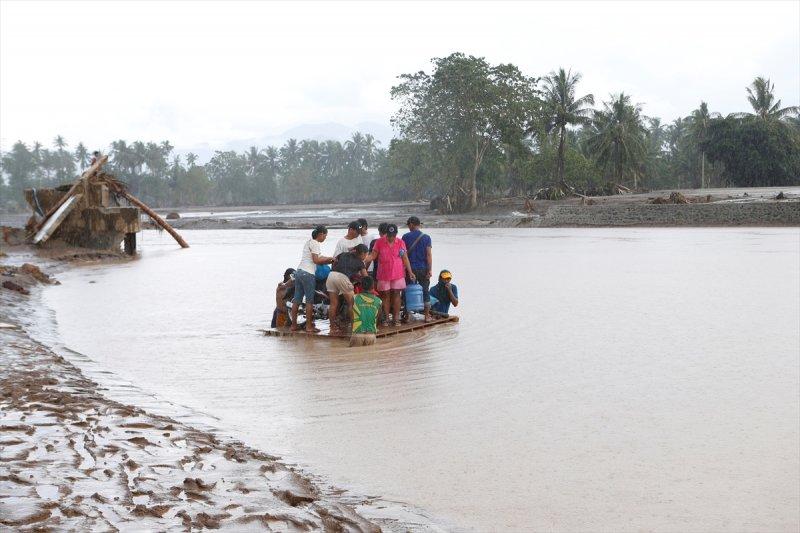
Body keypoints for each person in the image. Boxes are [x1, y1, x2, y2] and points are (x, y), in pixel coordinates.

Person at [365, 223, 415, 326]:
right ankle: (386, 318)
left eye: (393, 235)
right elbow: (373, 256)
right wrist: (363, 259)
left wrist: (410, 272)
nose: (391, 237)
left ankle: (396, 318)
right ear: (386, 234)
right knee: (385, 295)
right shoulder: (379, 242)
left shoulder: (400, 242)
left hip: (398, 273)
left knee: (396, 294)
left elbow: (405, 258)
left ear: (396, 234)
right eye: (389, 235)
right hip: (383, 274)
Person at [291, 226, 335, 333]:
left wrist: (327, 259)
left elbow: (317, 258)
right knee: (309, 301)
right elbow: (316, 260)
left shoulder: (308, 242)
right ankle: (309, 326)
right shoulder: (315, 243)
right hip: (308, 273)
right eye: (325, 235)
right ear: (321, 234)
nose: (325, 238)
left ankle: (293, 325)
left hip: (299, 271)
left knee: (297, 299)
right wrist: (330, 259)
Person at [327, 244, 369, 334]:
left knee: (333, 304)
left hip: (331, 275)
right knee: (352, 303)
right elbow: (366, 277)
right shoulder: (360, 262)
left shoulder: (343, 254)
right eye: (366, 254)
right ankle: (355, 328)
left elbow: (334, 262)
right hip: (342, 278)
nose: (366, 256)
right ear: (362, 253)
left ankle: (332, 328)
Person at [401, 216, 433, 322]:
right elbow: (428, 255)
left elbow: (403, 255)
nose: (408, 227)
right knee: (425, 291)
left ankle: (407, 315)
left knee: (406, 291)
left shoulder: (405, 237)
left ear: (411, 224)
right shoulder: (426, 237)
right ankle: (427, 315)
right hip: (423, 268)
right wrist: (430, 269)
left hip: (410, 269)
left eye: (408, 225)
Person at [350, 276, 382, 347]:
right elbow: (378, 319)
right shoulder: (379, 301)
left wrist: (353, 328)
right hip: (371, 335)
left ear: (361, 286)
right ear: (373, 286)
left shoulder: (354, 298)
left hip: (357, 334)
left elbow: (350, 315)